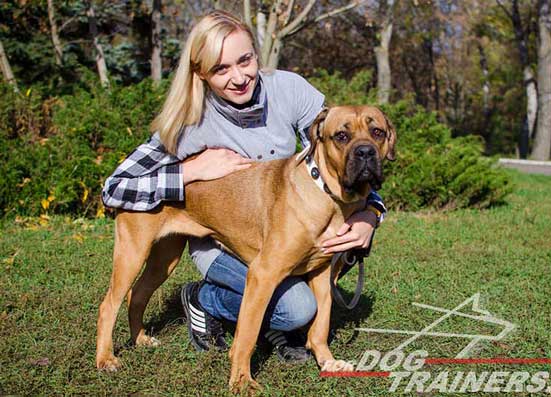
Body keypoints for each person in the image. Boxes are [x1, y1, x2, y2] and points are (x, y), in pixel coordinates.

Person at [101, 10, 386, 364]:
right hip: (219, 240)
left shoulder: (290, 90)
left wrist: (371, 213)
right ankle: (205, 300)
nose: (239, 77)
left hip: (285, 232)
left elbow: (345, 150)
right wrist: (188, 173)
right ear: (200, 73)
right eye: (221, 69)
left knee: (305, 290)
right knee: (297, 308)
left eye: (245, 60)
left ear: (256, 54)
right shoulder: (190, 121)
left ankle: (281, 324)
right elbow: (114, 188)